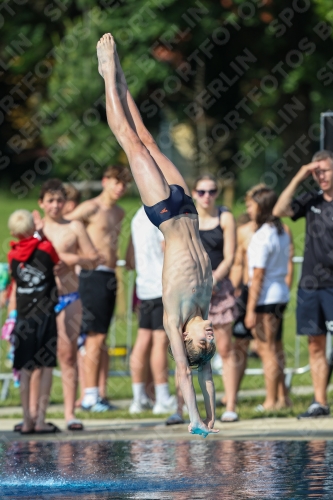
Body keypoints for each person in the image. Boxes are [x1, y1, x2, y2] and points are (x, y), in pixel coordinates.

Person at [97, 33, 218, 437]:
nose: (211, 333)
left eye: (205, 339)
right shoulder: (204, 304)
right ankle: (122, 81)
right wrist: (214, 413)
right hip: (187, 206)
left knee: (130, 143)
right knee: (147, 136)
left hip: (165, 213)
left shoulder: (176, 317)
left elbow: (187, 372)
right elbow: (206, 375)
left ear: (187, 337)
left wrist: (196, 421)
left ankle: (107, 74)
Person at [65, 164, 131, 412]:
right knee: (93, 337)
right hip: (91, 276)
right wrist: (82, 256)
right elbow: (64, 225)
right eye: (116, 182)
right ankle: (89, 395)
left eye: (124, 184)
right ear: (105, 181)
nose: (120, 188)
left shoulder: (120, 211)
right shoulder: (90, 208)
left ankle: (99, 393)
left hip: (109, 276)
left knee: (101, 337)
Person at [273, 150, 333, 418]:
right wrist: (299, 176)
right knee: (315, 343)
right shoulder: (312, 200)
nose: (321, 176)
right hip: (311, 284)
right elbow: (279, 209)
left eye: (325, 170)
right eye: (316, 172)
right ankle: (319, 402)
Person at [38, 178, 101, 430]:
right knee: (38, 359)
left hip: (68, 297)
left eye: (59, 200)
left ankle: (69, 413)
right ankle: (36, 415)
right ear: (41, 203)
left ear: (66, 203)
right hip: (40, 299)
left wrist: (71, 259)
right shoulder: (37, 228)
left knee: (67, 355)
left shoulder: (74, 226)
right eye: (50, 200)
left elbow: (94, 259)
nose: (55, 205)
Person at [7, 210, 60, 434]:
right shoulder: (45, 248)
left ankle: (26, 420)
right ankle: (40, 420)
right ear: (32, 228)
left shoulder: (12, 256)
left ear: (13, 232)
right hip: (45, 316)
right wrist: (40, 234)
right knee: (46, 367)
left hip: (24, 318)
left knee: (25, 369)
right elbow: (56, 258)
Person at [192, 174, 238, 422]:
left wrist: (214, 280)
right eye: (201, 192)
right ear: (194, 193)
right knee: (190, 350)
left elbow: (230, 255)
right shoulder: (189, 218)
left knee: (226, 349)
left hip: (219, 288)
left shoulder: (225, 217)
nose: (206, 196)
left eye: (211, 191)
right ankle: (186, 408)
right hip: (193, 289)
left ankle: (230, 405)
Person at [126, 206, 176, 415]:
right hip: (160, 285)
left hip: (144, 286)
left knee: (142, 340)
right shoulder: (161, 213)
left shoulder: (137, 215)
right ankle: (162, 397)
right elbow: (167, 248)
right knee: (159, 342)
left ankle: (139, 398)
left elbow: (129, 257)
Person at [244, 187, 291, 411]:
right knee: (277, 348)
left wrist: (250, 309)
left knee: (266, 349)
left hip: (266, 298)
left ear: (262, 207)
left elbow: (258, 274)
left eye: (251, 205)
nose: (248, 209)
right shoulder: (281, 230)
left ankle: (271, 401)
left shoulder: (263, 235)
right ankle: (284, 397)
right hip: (280, 294)